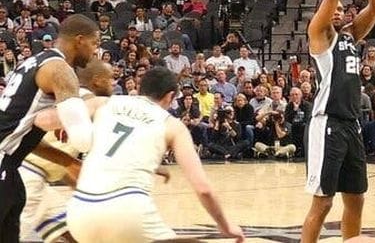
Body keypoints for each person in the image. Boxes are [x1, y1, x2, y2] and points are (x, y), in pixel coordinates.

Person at [63, 67, 244, 242]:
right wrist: (225, 225)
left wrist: (64, 127)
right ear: (170, 96)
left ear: (141, 88)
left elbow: (57, 117)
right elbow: (203, 188)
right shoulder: (172, 125)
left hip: (79, 211)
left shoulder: (103, 103)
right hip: (128, 212)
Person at [301, 0, 375, 243]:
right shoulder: (320, 34)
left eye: (340, 8)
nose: (337, 9)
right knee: (323, 203)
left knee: (356, 199)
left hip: (352, 125)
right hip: (328, 125)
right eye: (331, 7)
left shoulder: (350, 35)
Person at [0, 14, 100, 243]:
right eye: (95, 43)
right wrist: (91, 110)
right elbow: (83, 139)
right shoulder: (61, 71)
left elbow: (23, 132)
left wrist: (66, 159)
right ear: (80, 40)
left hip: (12, 164)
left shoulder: (33, 62)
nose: (96, 51)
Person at [19, 58, 115, 243]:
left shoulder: (69, 100)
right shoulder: (84, 97)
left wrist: (78, 182)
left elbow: (58, 162)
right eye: (111, 78)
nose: (114, 82)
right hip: (26, 176)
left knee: (73, 234)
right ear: (97, 80)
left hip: (38, 176)